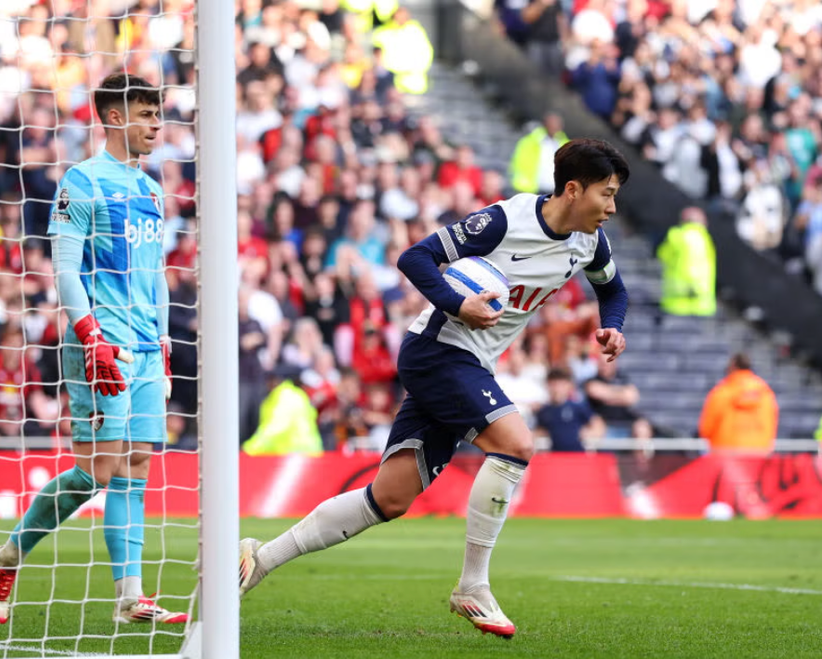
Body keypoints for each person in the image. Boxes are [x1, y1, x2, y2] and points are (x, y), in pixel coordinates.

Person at [239, 139, 630, 639]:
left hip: (471, 363)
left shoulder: (589, 242)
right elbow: (415, 257)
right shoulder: (504, 221)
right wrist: (455, 303)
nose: (612, 208)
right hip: (439, 348)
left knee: (389, 498)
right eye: (607, 193)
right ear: (573, 189)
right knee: (516, 444)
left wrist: (611, 325)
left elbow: (613, 289)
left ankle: (259, 558)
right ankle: (473, 586)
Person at [0, 74, 188, 625]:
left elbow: (156, 273)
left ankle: (130, 597)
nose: (156, 123)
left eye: (158, 113)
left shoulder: (152, 189)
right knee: (97, 472)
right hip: (99, 346)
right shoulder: (81, 182)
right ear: (113, 117)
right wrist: (91, 336)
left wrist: (165, 341)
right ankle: (9, 553)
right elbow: (64, 269)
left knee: (137, 467)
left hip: (147, 349)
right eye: (146, 114)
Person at [698, 353, 779, 454]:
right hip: (759, 454)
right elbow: (772, 423)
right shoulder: (765, 393)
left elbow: (706, 429)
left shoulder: (722, 392)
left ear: (732, 367)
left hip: (726, 454)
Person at [657, 206, 717, 317]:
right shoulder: (706, 239)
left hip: (677, 303)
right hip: (703, 305)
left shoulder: (676, 236)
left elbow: (662, 255)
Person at [535, 368, 605, 452]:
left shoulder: (577, 406)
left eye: (560, 384)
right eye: (553, 384)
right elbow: (540, 430)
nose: (556, 389)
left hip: (577, 456)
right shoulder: (544, 410)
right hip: (555, 457)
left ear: (568, 386)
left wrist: (589, 433)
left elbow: (598, 425)